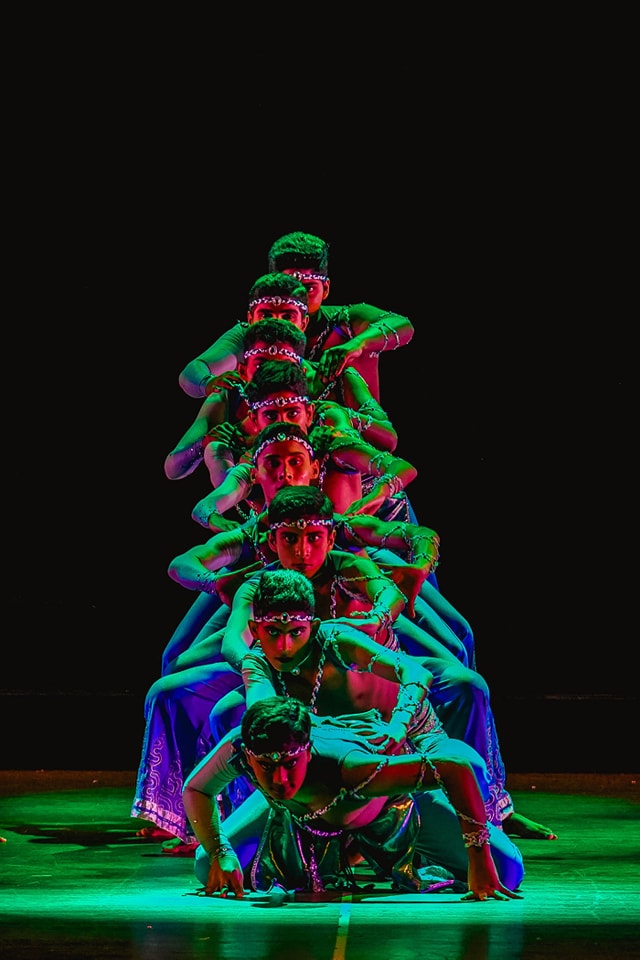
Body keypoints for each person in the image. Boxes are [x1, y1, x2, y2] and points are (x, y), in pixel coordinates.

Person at [183, 696, 524, 899]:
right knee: (208, 865)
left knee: (505, 872)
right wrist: (221, 850)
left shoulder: (352, 769)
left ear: (308, 752)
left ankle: (396, 855)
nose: (279, 779)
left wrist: (478, 857)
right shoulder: (242, 748)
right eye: (265, 767)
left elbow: (455, 767)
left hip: (392, 807)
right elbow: (196, 789)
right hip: (301, 816)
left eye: (290, 764)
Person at [178, 231, 414, 404]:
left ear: (327, 289)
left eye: (309, 287)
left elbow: (403, 326)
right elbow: (193, 372)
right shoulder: (254, 332)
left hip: (357, 458)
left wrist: (356, 345)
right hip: (280, 464)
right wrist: (209, 383)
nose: (299, 295)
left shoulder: (347, 322)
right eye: (290, 285)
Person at [190, 360, 417, 528]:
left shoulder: (331, 443)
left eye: (292, 413)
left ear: (309, 413)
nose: (282, 422)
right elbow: (205, 507)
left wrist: (373, 499)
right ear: (254, 419)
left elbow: (402, 468)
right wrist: (223, 525)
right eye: (271, 415)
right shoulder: (256, 462)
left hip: (356, 544)